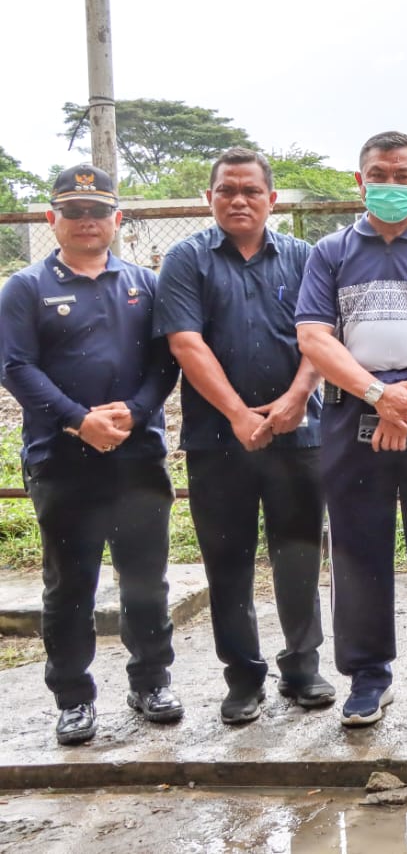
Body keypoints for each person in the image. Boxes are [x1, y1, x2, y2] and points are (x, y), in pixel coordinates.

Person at [295, 131, 407, 726]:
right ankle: (368, 676)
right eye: (380, 174)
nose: (392, 185)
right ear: (360, 181)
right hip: (355, 405)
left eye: (405, 176)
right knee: (357, 543)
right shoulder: (330, 252)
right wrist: (378, 395)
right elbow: (315, 336)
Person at [0, 164, 181, 745]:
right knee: (69, 583)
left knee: (146, 578)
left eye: (98, 211)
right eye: (73, 212)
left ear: (117, 220)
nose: (86, 221)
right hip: (61, 457)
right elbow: (16, 367)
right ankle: (73, 698)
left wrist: (137, 412)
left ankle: (151, 682)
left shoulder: (143, 283)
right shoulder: (26, 287)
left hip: (137, 454)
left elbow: (165, 362)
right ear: (52, 219)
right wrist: (80, 421)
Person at [154, 149, 333, 724]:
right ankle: (242, 677)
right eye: (226, 190)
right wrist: (236, 414)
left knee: (300, 552)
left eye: (251, 191)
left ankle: (302, 667)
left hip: (298, 435)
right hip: (217, 440)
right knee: (227, 561)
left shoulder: (305, 257)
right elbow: (186, 343)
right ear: (208, 198)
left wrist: (296, 398)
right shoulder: (185, 260)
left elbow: (321, 337)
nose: (238, 200)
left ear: (271, 200)